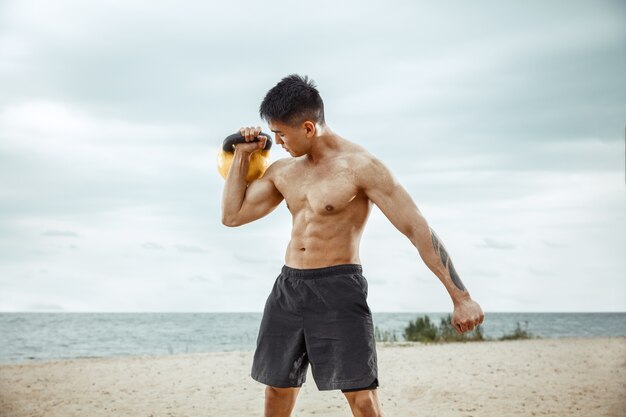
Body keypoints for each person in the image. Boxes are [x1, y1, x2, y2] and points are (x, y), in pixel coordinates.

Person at [221, 74, 484, 417]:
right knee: (277, 388)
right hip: (289, 288)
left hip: (338, 288)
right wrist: (241, 155)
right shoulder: (283, 171)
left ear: (309, 128)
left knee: (360, 394)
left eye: (282, 133)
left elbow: (416, 228)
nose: (277, 142)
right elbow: (232, 215)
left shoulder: (362, 168)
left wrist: (460, 297)